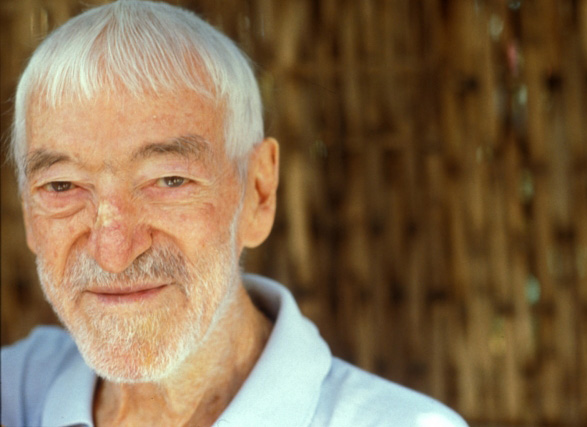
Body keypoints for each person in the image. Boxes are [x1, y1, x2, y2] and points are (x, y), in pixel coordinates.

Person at [1, 1, 468, 426]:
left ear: (258, 193)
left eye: (170, 180)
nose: (113, 251)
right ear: (27, 210)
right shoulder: (17, 390)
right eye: (60, 186)